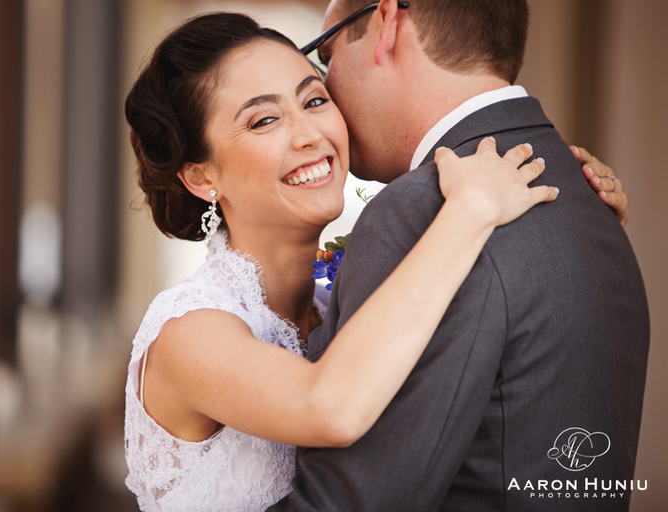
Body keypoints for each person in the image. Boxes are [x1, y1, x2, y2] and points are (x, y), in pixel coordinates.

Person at [122, 12, 631, 512]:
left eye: (315, 98)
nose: (309, 134)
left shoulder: (339, 296)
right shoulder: (185, 330)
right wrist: (470, 212)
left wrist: (561, 226)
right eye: (264, 119)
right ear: (200, 177)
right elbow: (330, 408)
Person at [269, 1, 649, 511]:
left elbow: (352, 501)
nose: (327, 90)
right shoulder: (589, 196)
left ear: (386, 23)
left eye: (327, 53)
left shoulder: (423, 210)